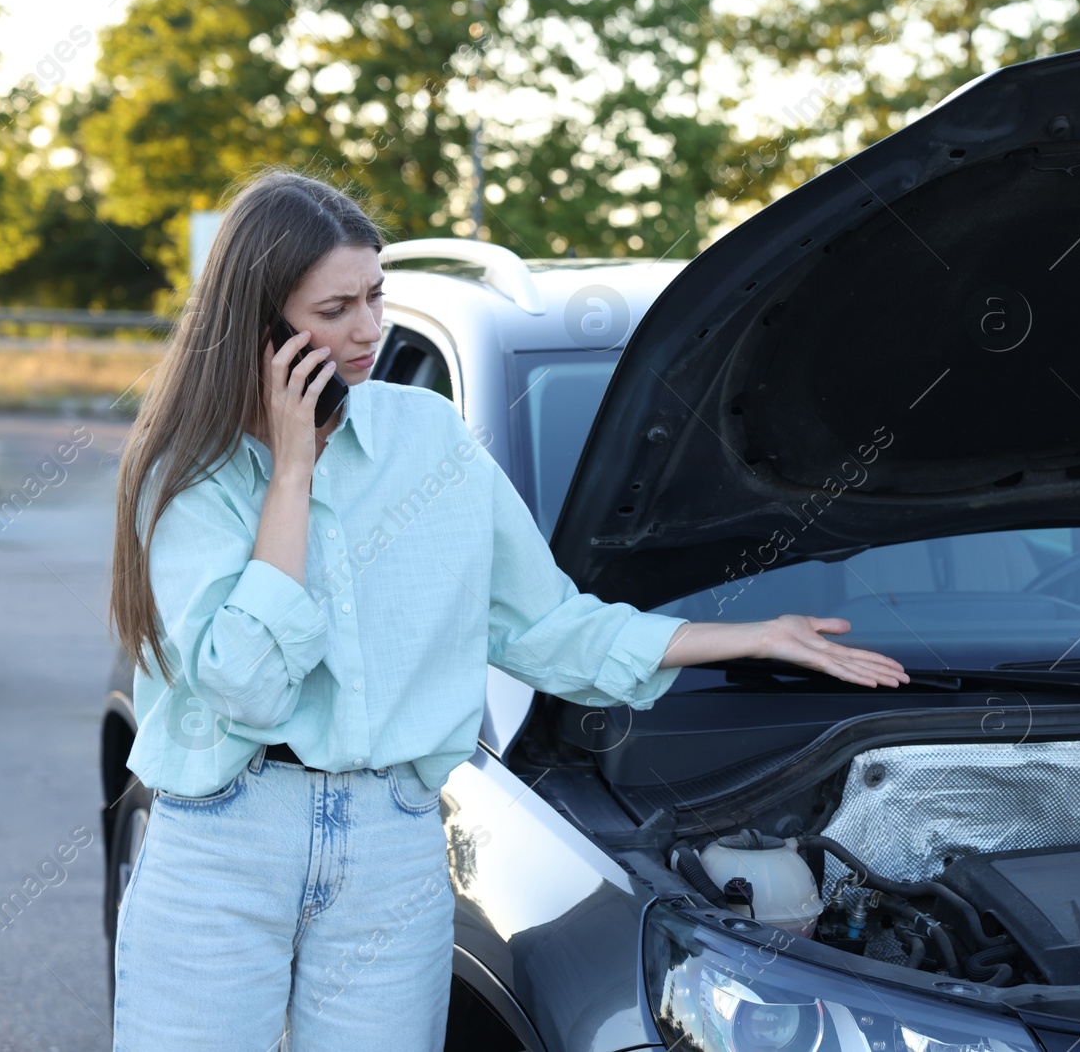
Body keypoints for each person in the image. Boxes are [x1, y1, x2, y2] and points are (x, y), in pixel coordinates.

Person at [106, 167, 909, 1051]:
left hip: (390, 843)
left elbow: (544, 627)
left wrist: (753, 633)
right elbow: (248, 689)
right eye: (334, 310)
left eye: (376, 297)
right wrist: (293, 471)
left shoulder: (431, 442)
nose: (369, 329)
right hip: (224, 840)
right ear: (259, 324)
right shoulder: (188, 474)